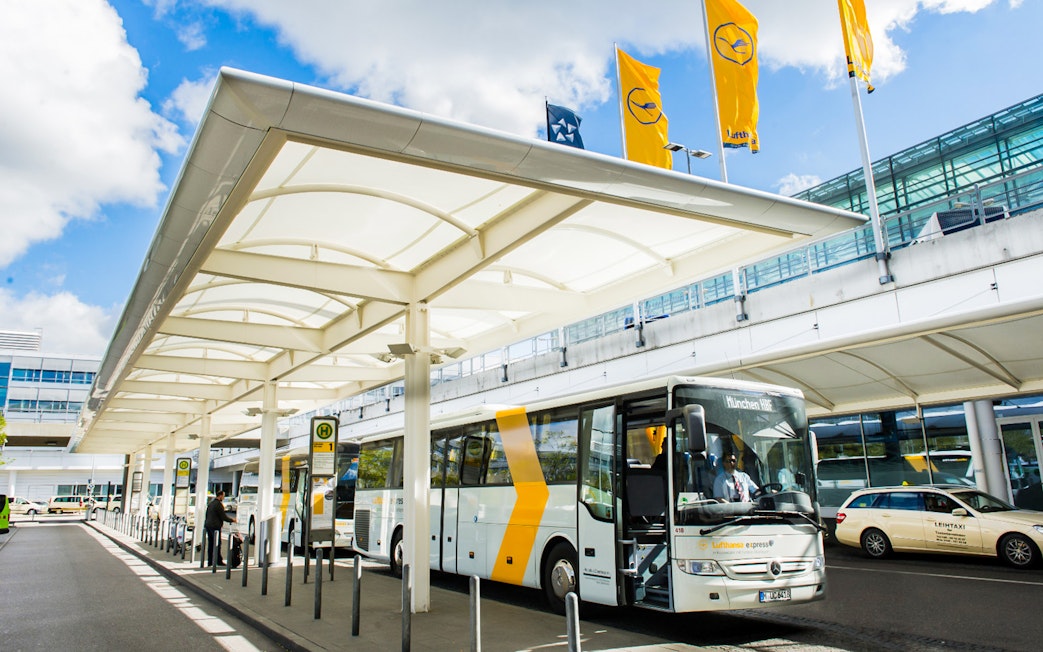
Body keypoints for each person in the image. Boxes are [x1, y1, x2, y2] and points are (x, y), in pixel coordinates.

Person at [204, 490, 237, 566]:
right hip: (215, 526)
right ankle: (218, 561)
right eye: (223, 495)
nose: (224, 497)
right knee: (217, 544)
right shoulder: (219, 505)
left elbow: (207, 514)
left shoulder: (211, 504)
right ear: (220, 496)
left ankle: (210, 561)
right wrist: (232, 520)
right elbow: (223, 516)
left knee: (211, 544)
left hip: (208, 525)